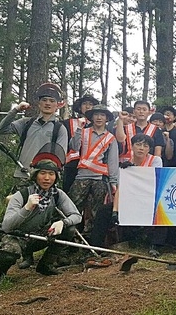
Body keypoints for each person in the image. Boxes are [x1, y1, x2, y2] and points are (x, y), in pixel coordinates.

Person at [0, 148, 82, 292]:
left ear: (56, 177)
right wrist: (27, 208)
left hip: (40, 235)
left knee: (70, 229)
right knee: (9, 251)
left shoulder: (57, 195)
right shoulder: (21, 195)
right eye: (42, 173)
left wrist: (63, 222)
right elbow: (6, 226)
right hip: (18, 236)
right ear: (35, 175)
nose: (47, 178)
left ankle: (45, 265)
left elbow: (76, 215)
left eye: (51, 174)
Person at [0, 83, 68, 189]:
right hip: (22, 175)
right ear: (39, 103)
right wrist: (16, 110)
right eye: (44, 100)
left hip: (44, 179)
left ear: (57, 105)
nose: (47, 103)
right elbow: (1, 129)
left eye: (52, 101)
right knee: (17, 205)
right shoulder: (26, 123)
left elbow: (60, 158)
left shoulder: (60, 129)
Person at [68, 105, 119, 248]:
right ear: (91, 117)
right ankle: (69, 242)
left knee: (95, 213)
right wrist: (78, 129)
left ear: (107, 119)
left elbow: (113, 161)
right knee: (73, 209)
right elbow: (74, 147)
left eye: (102, 115)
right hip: (81, 177)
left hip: (99, 180)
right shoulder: (83, 132)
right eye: (96, 115)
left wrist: (114, 182)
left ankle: (91, 243)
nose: (99, 118)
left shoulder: (110, 138)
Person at [63, 94, 99, 193]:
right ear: (79, 107)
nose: (87, 107)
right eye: (84, 104)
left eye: (90, 104)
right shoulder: (67, 123)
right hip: (72, 164)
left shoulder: (99, 125)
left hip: (92, 166)